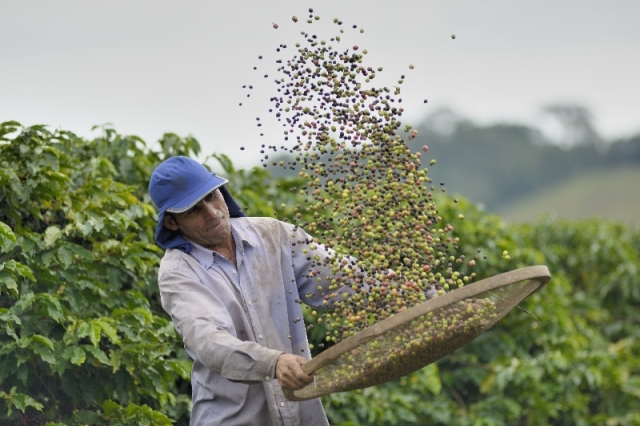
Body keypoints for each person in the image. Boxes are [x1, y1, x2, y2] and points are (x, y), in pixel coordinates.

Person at [148, 156, 344, 426]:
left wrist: (402, 289)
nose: (212, 212)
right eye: (193, 210)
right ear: (171, 223)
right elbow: (208, 340)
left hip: (301, 415)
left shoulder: (272, 234)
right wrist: (272, 363)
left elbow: (343, 279)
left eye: (212, 196)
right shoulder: (179, 272)